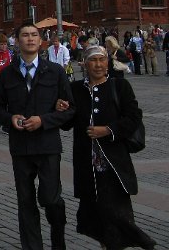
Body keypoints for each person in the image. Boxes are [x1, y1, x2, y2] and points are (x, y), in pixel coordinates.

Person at [57, 45, 155, 250]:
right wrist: (61, 109)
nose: (99, 64)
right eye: (93, 60)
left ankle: (135, 239)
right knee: (96, 215)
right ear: (84, 63)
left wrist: (109, 130)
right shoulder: (76, 89)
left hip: (114, 164)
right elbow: (67, 124)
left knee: (115, 211)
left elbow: (133, 117)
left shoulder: (119, 86)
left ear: (108, 62)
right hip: (87, 164)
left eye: (102, 60)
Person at [0, 21, 75, 250]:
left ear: (40, 41)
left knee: (50, 199)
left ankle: (58, 239)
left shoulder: (55, 71)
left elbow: (70, 108)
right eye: (25, 35)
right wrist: (11, 119)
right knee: (26, 202)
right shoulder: (8, 74)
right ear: (17, 41)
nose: (30, 39)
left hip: (48, 146)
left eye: (34, 35)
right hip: (21, 147)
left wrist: (44, 120)